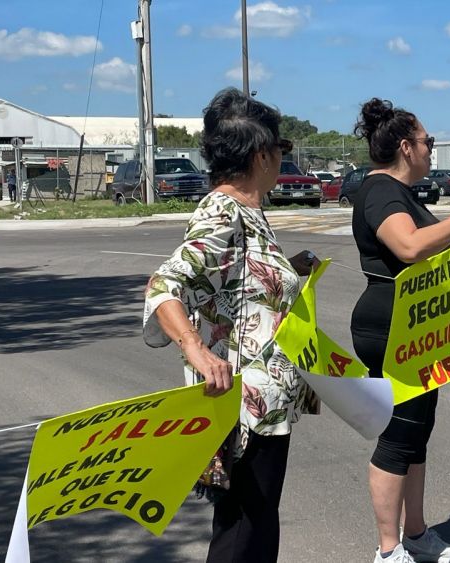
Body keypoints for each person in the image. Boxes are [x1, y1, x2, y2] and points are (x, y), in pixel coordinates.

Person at [142, 87, 321, 563]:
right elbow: (165, 285)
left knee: (254, 527)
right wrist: (196, 351)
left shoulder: (249, 210)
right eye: (281, 148)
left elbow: (236, 285)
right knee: (243, 532)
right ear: (261, 153)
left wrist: (290, 267)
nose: (283, 158)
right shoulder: (224, 211)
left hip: (263, 404)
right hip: (242, 406)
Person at [351, 98, 450, 563]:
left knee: (417, 433)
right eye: (428, 142)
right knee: (398, 437)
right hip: (391, 328)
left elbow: (423, 248)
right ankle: (389, 549)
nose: (431, 149)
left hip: (418, 327)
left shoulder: (397, 192)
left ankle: (418, 534)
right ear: (406, 147)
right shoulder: (382, 191)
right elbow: (406, 247)